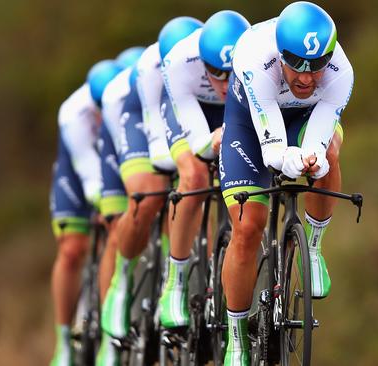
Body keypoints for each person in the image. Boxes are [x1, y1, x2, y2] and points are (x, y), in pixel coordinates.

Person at [218, 2, 354, 364]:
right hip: (251, 122)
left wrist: (312, 156)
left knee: (330, 156)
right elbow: (272, 149)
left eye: (316, 68)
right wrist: (288, 157)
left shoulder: (342, 72)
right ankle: (236, 338)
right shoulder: (253, 55)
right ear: (280, 55)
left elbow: (321, 138)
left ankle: (312, 248)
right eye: (296, 66)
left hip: (305, 118)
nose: (307, 79)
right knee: (248, 229)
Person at [100, 17, 202, 341]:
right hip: (138, 117)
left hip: (189, 109)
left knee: (204, 190)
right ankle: (122, 278)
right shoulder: (150, 70)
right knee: (151, 195)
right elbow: (159, 147)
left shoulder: (203, 64)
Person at [157, 10, 250, 329]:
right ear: (201, 60)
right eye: (215, 72)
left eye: (231, 73)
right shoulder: (180, 61)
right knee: (195, 176)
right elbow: (198, 142)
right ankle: (175, 282)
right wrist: (212, 143)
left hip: (233, 113)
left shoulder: (257, 56)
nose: (224, 82)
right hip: (191, 115)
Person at [49, 59, 123, 366]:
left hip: (117, 158)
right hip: (79, 171)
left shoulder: (127, 96)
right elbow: (91, 176)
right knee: (72, 249)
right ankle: (64, 341)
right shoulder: (73, 113)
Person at [94, 47, 145, 366]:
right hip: (116, 152)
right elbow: (120, 152)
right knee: (117, 229)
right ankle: (107, 337)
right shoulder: (108, 102)